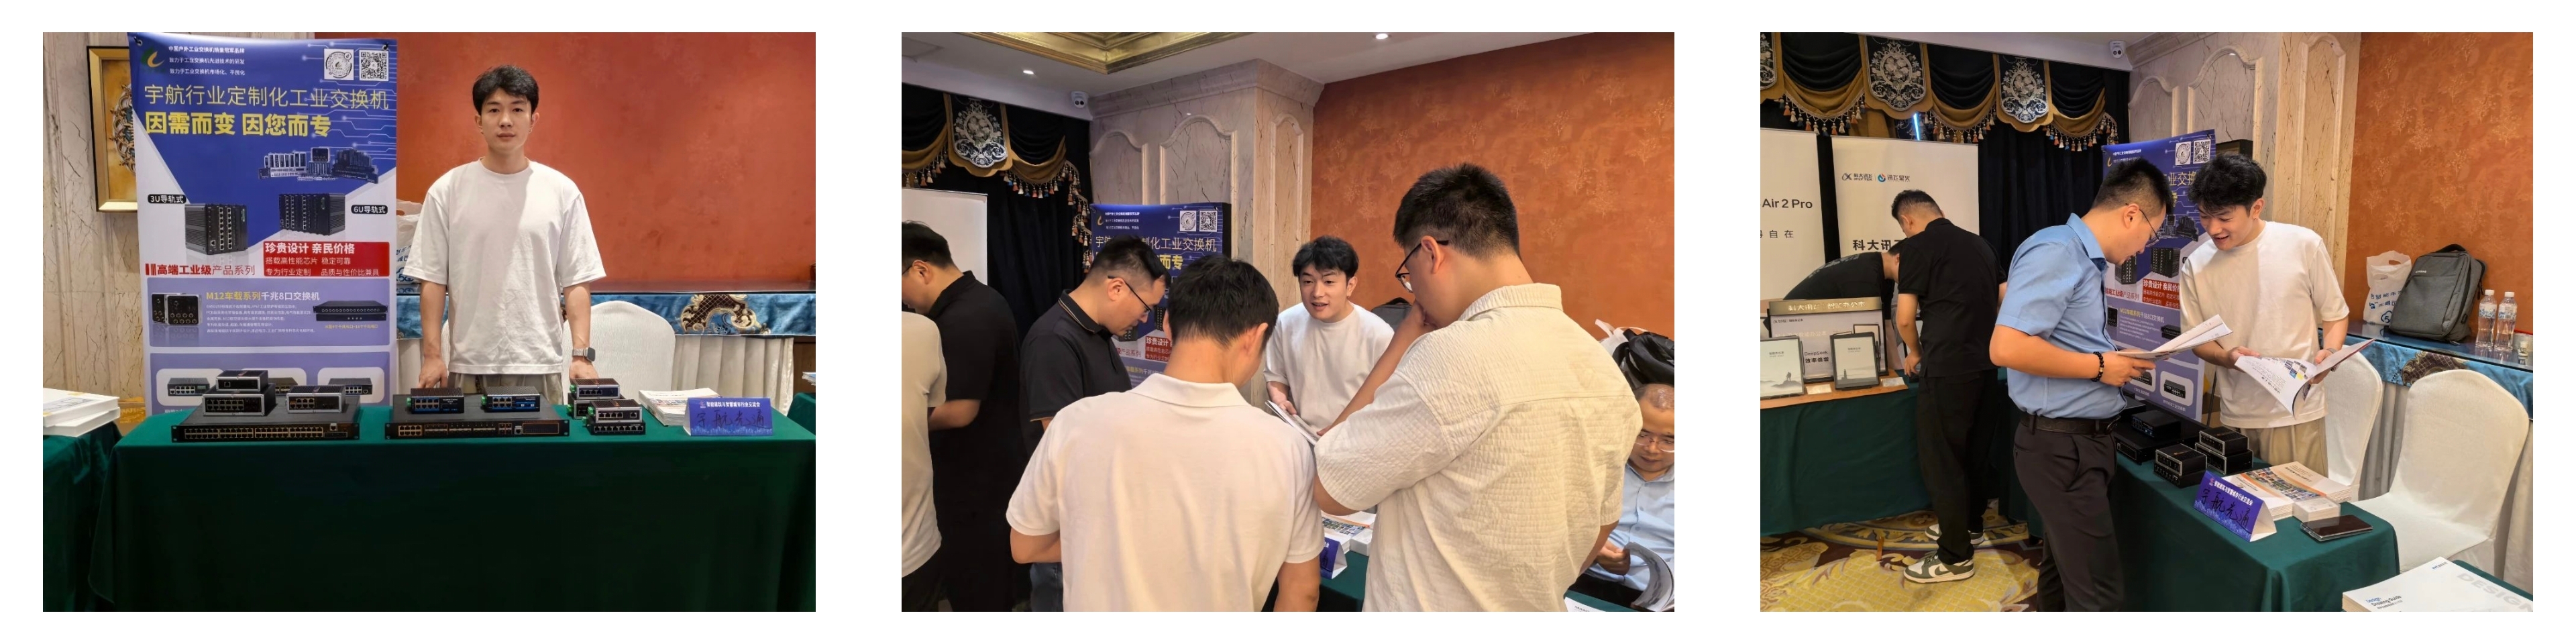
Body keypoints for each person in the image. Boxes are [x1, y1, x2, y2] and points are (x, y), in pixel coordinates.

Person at [1311, 164, 1641, 611]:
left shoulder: (1451, 354)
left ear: (1431, 253)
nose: (1414, 292)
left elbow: (1330, 486)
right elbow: (1601, 526)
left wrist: (1405, 338)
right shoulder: (1602, 366)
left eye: (1409, 275)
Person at [1005, 255, 1323, 611]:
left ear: (1168, 325)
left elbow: (1025, 545)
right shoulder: (1287, 448)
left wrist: (1111, 540)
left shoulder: (1074, 422)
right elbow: (1302, 589)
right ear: (1255, 336)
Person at [1988, 158, 2174, 610]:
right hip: (2061, 449)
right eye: (2150, 236)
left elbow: (2060, 339)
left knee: (2062, 576)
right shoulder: (2058, 251)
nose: (2144, 249)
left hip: (2076, 445)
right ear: (2131, 214)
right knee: (2098, 596)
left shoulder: (2080, 258)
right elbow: (2006, 347)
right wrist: (2099, 366)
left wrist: (2111, 359)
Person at [407, 64, 605, 405]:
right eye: (494, 110)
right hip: (470, 362)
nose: (506, 121)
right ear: (478, 120)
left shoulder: (561, 191)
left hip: (538, 361)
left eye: (517, 110)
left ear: (533, 119)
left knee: (543, 442)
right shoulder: (447, 190)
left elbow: (577, 280)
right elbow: (432, 279)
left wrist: (581, 355)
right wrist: (432, 355)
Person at [1016, 233, 1166, 611]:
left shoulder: (1095, 331)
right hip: (1067, 524)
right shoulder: (1054, 340)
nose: (1144, 319)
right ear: (1117, 288)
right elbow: (1065, 446)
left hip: (1096, 516)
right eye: (1146, 307)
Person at [2178, 154, 2350, 472]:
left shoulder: (2303, 245)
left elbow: (2335, 314)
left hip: (2295, 411)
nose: (2213, 228)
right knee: (2240, 501)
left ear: (2256, 208)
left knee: (2300, 499)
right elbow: (2198, 340)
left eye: (2224, 217)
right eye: (2204, 216)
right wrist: (2227, 358)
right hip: (2235, 412)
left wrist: (2331, 351)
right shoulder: (2196, 265)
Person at [900, 221, 1027, 611]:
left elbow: (959, 411)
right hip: (981, 476)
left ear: (920, 270)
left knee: (978, 591)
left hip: (976, 485)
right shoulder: (980, 300)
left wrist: (902, 421)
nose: (901, 301)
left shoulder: (966, 317)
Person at [1884, 191, 2004, 584]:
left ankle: (1955, 556)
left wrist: (1915, 352)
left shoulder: (1916, 248)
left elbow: (1905, 318)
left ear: (1907, 222)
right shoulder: (1981, 245)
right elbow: (2004, 298)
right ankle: (1970, 526)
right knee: (1974, 453)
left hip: (1947, 368)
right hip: (1986, 365)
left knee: (1943, 461)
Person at [1263, 236, 1395, 435]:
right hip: (1301, 436)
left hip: (1356, 439)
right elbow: (1276, 376)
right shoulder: (1285, 323)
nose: (1317, 292)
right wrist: (1280, 401)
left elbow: (1388, 400)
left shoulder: (1378, 334)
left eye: (1329, 282)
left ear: (1350, 285)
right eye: (1308, 281)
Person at [1570, 383, 1676, 609]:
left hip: (1656, 600)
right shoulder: (1594, 467)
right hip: (1585, 581)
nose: (1652, 449)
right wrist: (1593, 545)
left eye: (1669, 441)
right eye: (1642, 434)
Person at [899, 312, 947, 611]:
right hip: (916, 544)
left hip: (915, 544)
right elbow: (927, 414)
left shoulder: (922, 329)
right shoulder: (923, 329)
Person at [1783, 248, 1899, 309]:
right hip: (1792, 320)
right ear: (1898, 259)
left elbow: (1887, 326)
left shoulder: (1886, 276)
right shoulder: (1867, 276)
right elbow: (1867, 330)